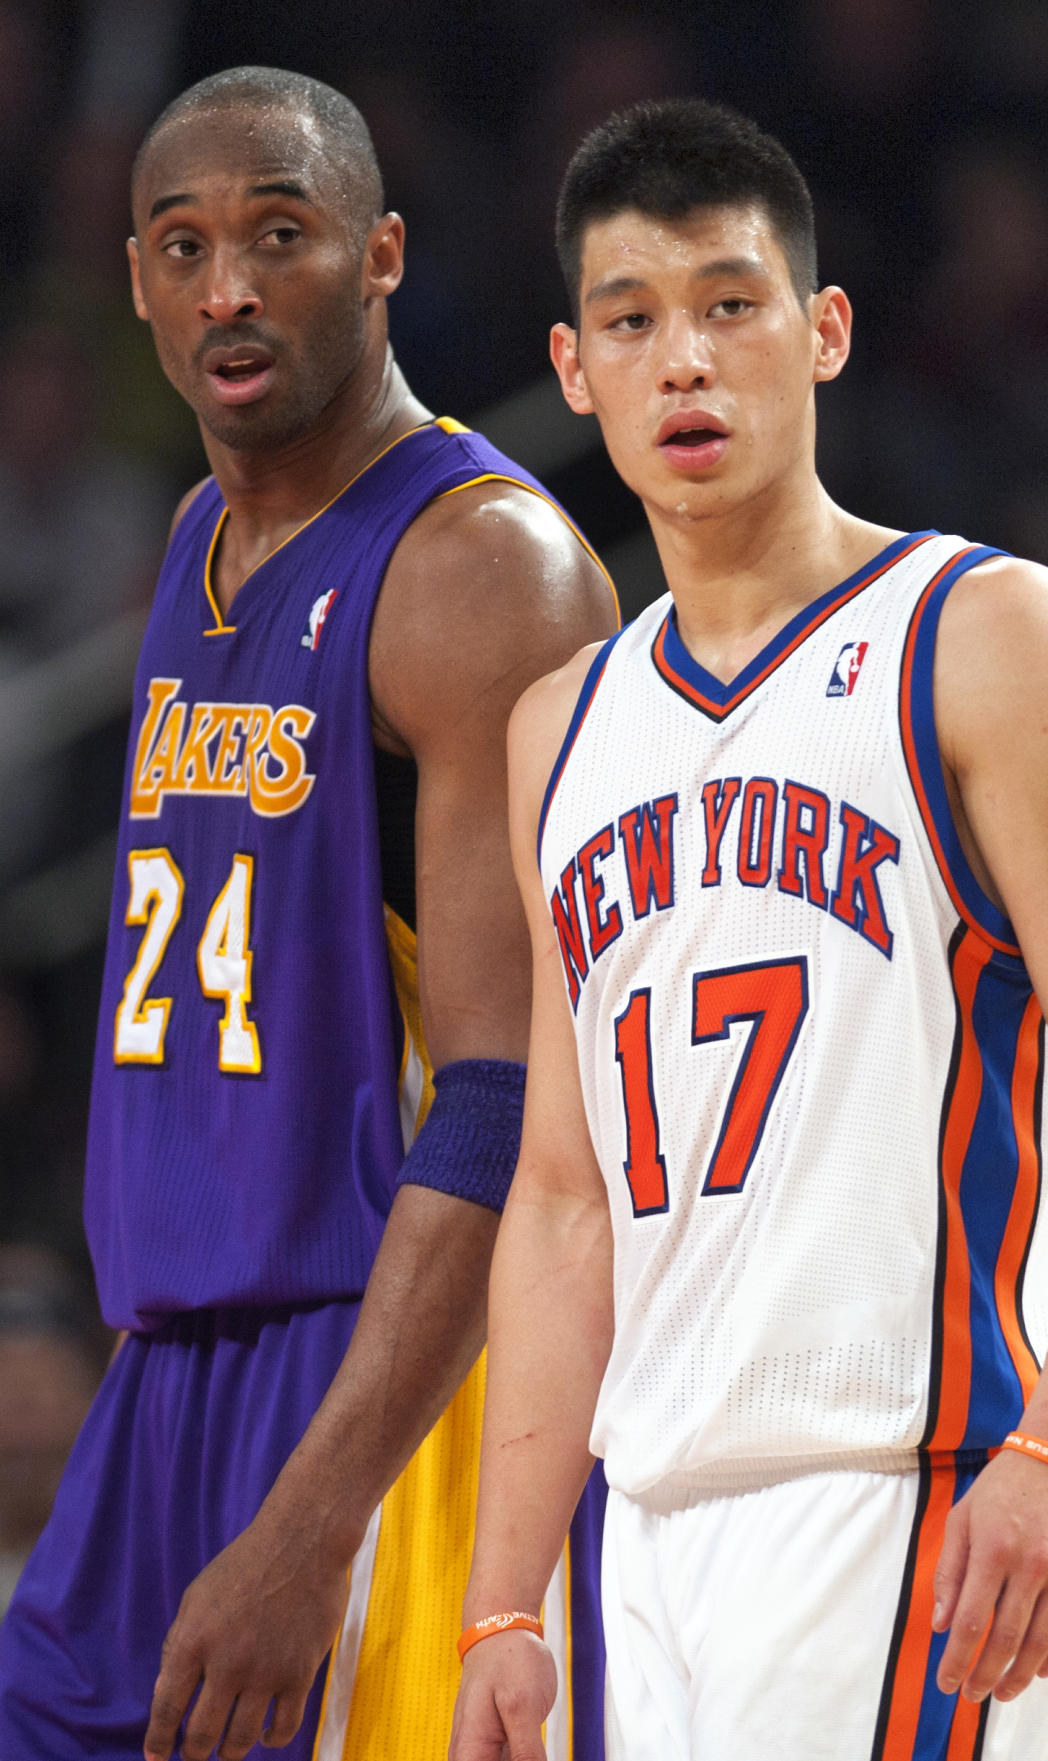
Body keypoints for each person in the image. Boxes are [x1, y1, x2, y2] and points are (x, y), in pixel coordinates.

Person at [448, 99, 1048, 1761]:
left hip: (915, 1489)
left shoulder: (984, 631)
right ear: (572, 370)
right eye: (632, 321)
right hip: (635, 1529)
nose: (684, 363)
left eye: (729, 304)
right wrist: (506, 1595)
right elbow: (565, 1198)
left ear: (824, 330)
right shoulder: (554, 730)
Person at [0, 66, 617, 1761]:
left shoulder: (486, 566)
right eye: (184, 246)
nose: (231, 289)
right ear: (131, 278)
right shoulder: (200, 532)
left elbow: (505, 1101)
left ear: (382, 252)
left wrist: (312, 1520)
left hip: (387, 1385)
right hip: (168, 1371)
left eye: (281, 236)